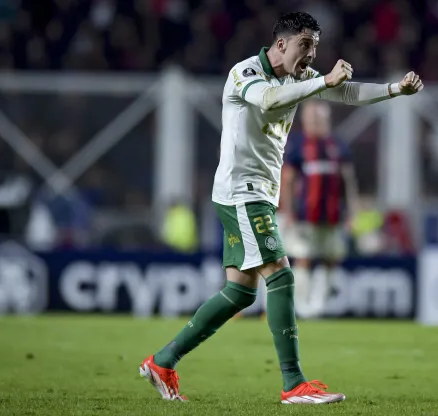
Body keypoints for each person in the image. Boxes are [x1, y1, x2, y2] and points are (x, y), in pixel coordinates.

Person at [139, 11, 423, 405]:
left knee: (240, 292)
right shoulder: (245, 72)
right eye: (306, 45)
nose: (311, 55)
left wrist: (394, 90)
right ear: (282, 43)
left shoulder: (301, 77)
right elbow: (270, 99)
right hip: (243, 191)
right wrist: (323, 80)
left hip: (258, 193)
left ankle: (163, 361)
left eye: (316, 48)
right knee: (282, 275)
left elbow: (348, 93)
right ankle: (293, 383)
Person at [278, 100, 360, 319]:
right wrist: (288, 212)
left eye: (319, 118)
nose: (315, 122)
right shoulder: (298, 145)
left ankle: (318, 303)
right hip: (305, 214)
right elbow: (287, 180)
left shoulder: (338, 146)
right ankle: (302, 305)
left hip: (333, 215)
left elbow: (347, 181)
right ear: (304, 121)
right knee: (303, 256)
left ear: (327, 120)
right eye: (311, 118)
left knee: (331, 257)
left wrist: (352, 212)